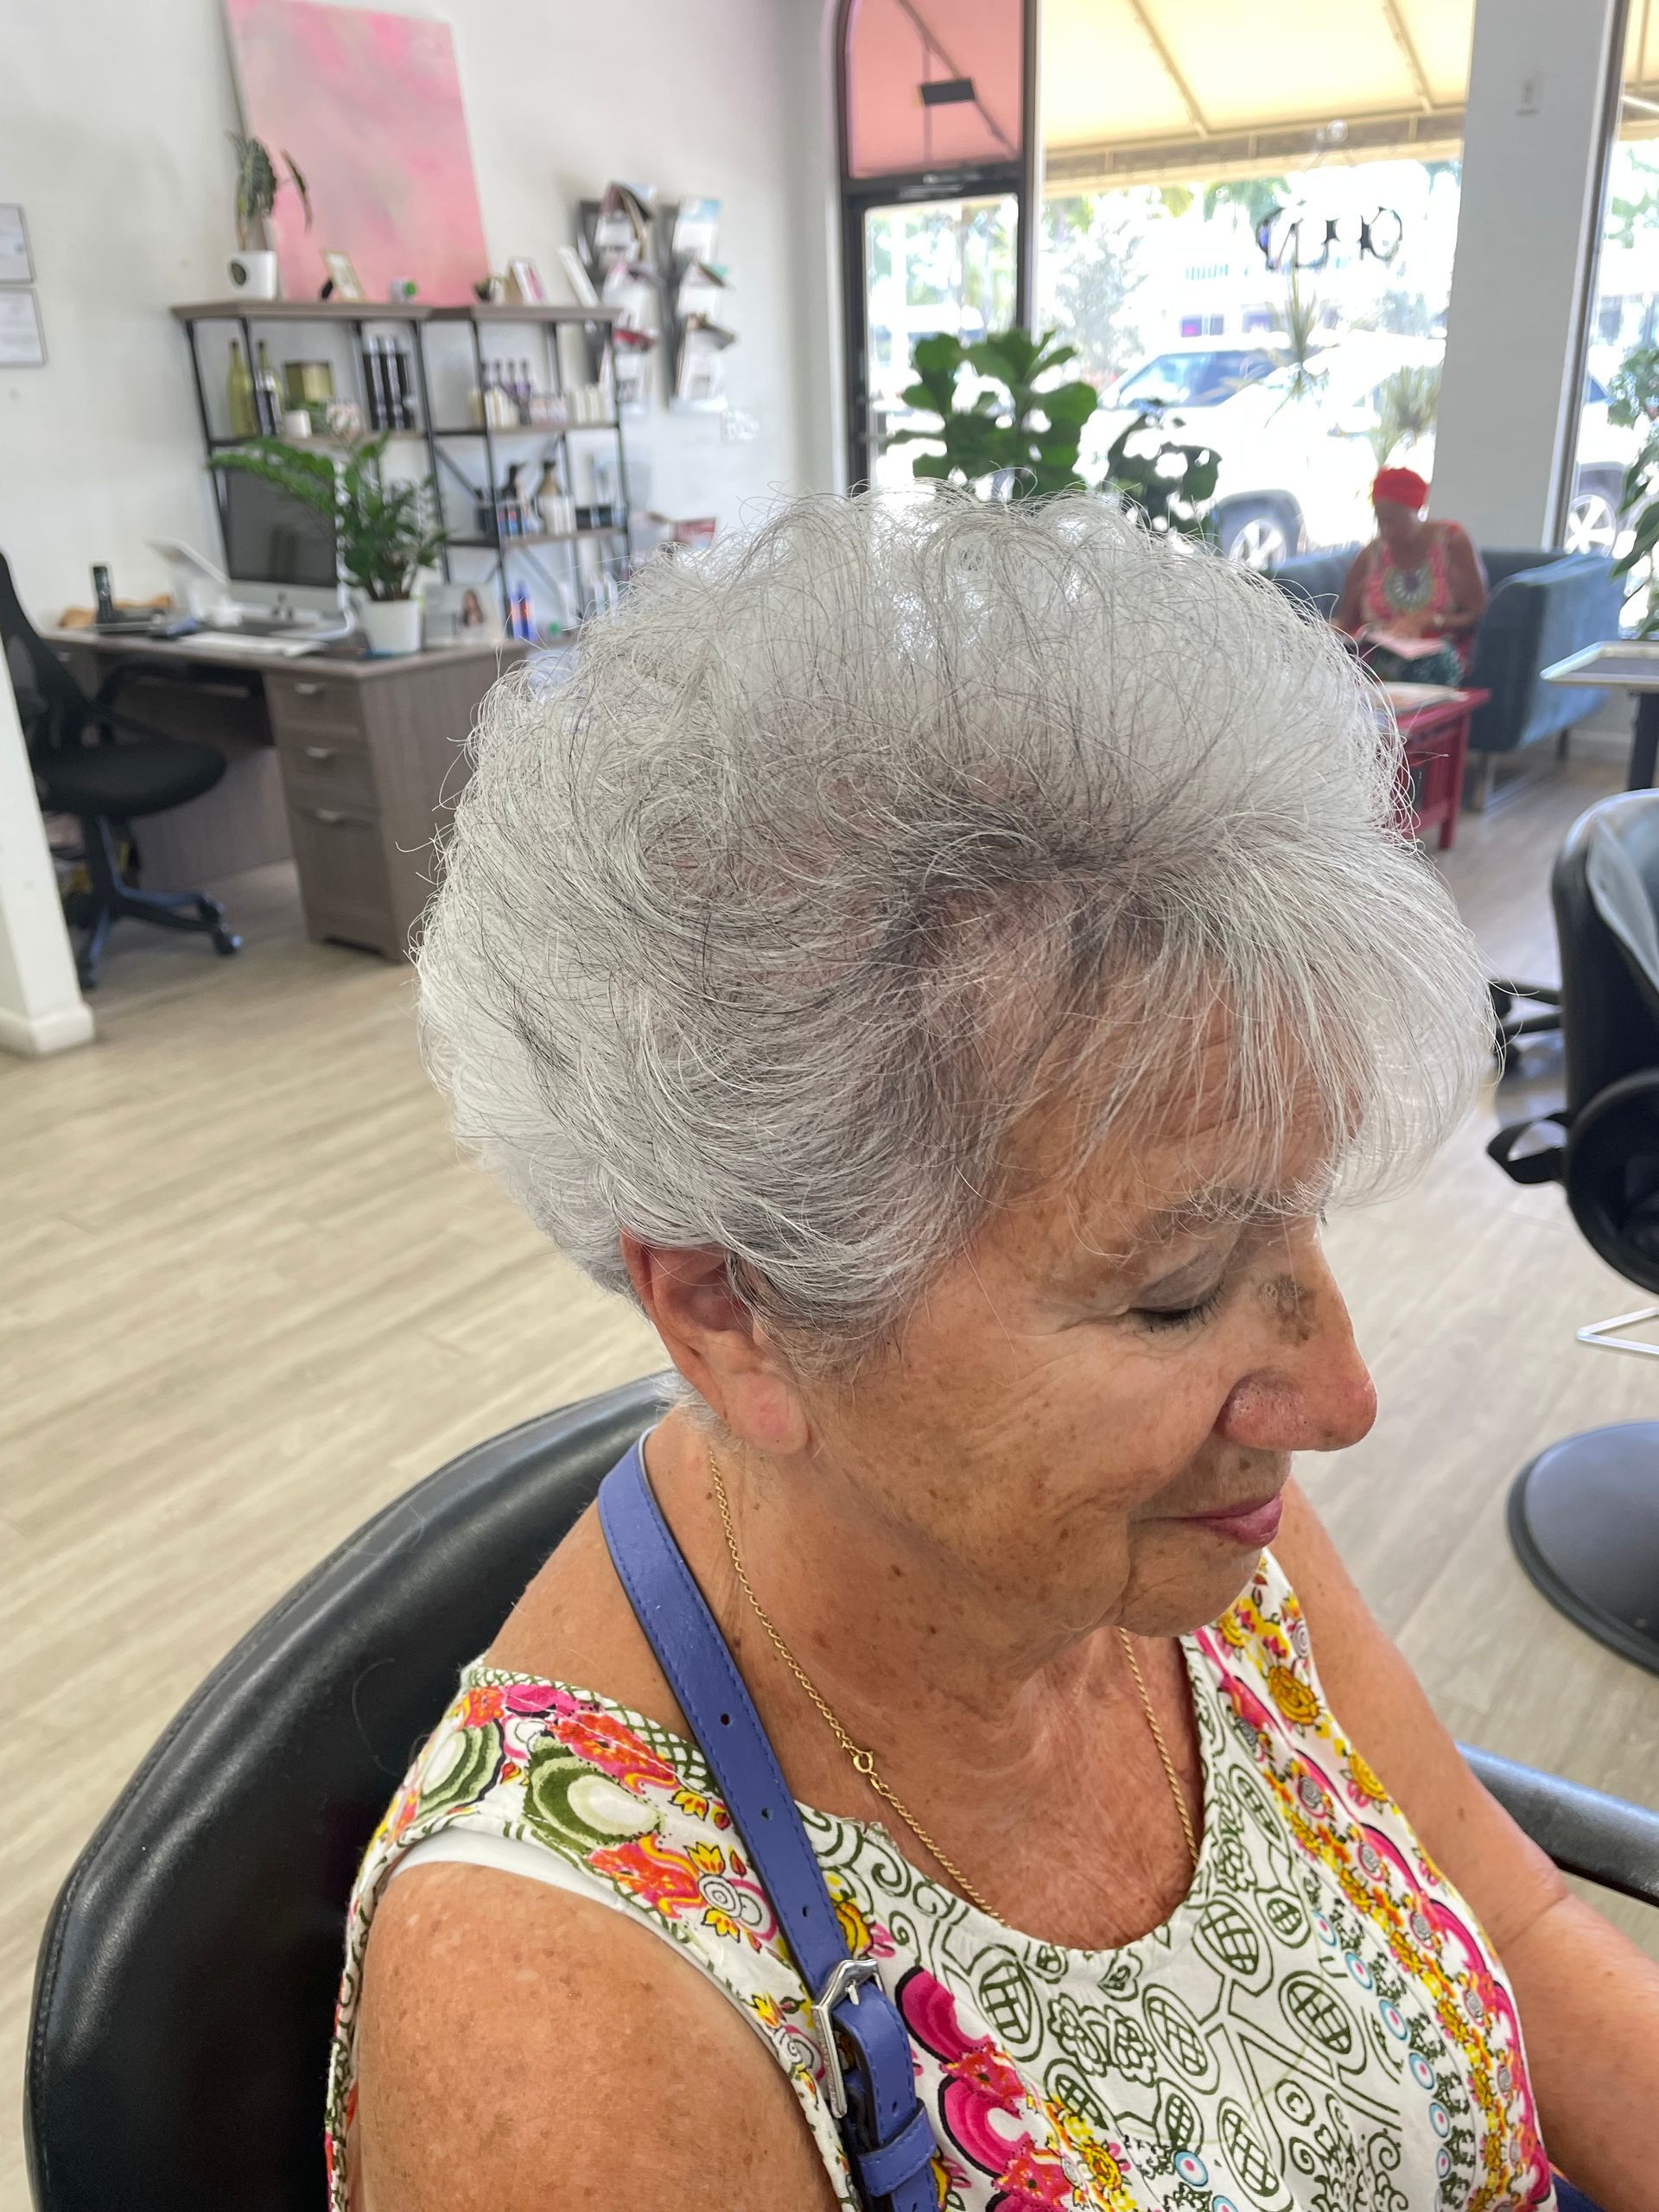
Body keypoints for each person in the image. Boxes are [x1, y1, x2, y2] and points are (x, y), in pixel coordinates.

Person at [333, 494, 1658, 2212]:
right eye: (1176, 1289)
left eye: (1298, 1232)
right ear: (735, 1310)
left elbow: (1527, 1928)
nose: (1339, 1400)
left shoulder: (1181, 1534)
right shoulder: (573, 2021)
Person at [1334, 465, 1488, 685]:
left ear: (1416, 510)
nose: (1386, 530)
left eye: (1394, 521)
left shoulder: (1451, 543)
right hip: (1375, 653)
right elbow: (1346, 621)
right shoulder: (1371, 554)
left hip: (1434, 655)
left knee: (1419, 670)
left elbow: (1476, 615)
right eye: (1380, 521)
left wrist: (1431, 621)